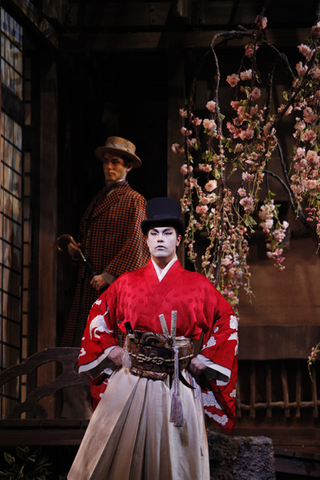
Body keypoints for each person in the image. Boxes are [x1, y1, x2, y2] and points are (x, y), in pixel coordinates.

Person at [68, 197, 238, 480]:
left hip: (177, 385)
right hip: (130, 379)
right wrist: (111, 350)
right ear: (145, 240)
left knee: (176, 462)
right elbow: (99, 314)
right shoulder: (126, 282)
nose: (160, 239)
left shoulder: (198, 285)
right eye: (154, 233)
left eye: (167, 233)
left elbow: (227, 320)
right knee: (115, 458)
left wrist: (205, 357)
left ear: (179, 239)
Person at [61, 136, 150, 349]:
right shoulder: (98, 198)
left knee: (106, 346)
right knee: (82, 346)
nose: (109, 167)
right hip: (89, 283)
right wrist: (76, 252)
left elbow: (137, 243)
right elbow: (87, 237)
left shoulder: (134, 199)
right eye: (106, 161)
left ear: (128, 166)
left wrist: (109, 275)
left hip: (112, 288)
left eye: (115, 162)